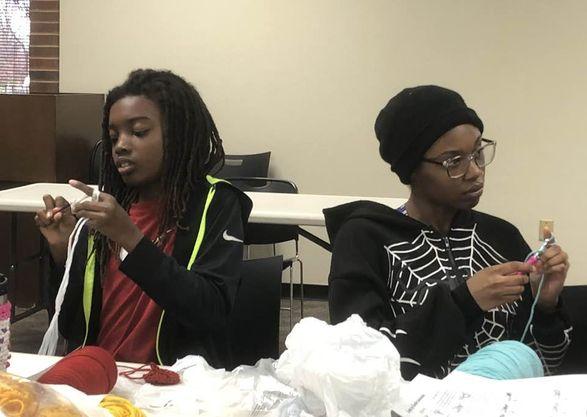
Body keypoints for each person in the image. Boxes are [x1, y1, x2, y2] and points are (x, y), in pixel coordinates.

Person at [325, 85, 572, 379]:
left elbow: (546, 364)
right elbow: (356, 369)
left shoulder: (501, 236)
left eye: (478, 153)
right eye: (454, 161)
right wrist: (464, 303)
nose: (475, 171)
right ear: (411, 169)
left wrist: (545, 306)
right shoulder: (365, 239)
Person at [35, 69, 252, 368]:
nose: (121, 145)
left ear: (176, 135)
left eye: (138, 132)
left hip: (176, 383)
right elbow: (73, 328)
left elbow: (210, 311)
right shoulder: (106, 212)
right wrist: (65, 252)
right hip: (105, 379)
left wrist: (131, 239)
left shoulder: (216, 204)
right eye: (113, 137)